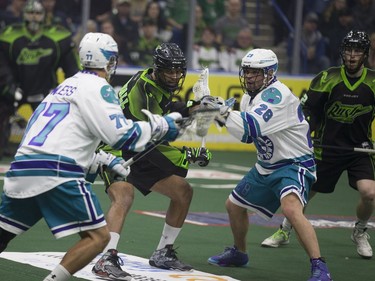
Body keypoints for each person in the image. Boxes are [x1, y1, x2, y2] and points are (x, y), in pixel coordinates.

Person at [0, 32, 183, 281]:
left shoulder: (63, 86)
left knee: (2, 233)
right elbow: (121, 136)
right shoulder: (99, 87)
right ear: (109, 61)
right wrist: (163, 126)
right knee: (99, 238)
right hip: (57, 172)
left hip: (22, 167)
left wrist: (102, 159)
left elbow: (56, 134)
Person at [205, 48, 332, 281]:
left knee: (291, 208)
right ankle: (240, 253)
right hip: (267, 164)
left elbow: (252, 127)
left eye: (256, 72)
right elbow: (246, 136)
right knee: (233, 206)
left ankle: (319, 266)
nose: (250, 76)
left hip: (294, 164)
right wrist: (220, 113)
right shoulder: (248, 98)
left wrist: (220, 109)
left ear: (271, 73)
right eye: (247, 71)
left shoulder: (277, 96)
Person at [91, 42, 212, 280]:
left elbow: (164, 112)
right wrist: (187, 154)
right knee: (124, 195)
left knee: (183, 192)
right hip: (114, 147)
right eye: (170, 71)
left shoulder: (155, 82)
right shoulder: (141, 89)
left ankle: (163, 253)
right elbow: (145, 139)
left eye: (178, 71)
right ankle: (106, 258)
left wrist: (193, 106)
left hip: (137, 147)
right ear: (158, 68)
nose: (175, 76)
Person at [261, 30, 375, 260]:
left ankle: (360, 231)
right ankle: (285, 229)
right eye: (349, 50)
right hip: (326, 148)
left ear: (365, 54)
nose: (352, 56)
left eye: (358, 51)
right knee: (304, 194)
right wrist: (304, 137)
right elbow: (307, 112)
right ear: (343, 53)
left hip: (360, 150)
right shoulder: (327, 78)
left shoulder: (373, 81)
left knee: (369, 193)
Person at [0, 0, 80, 158]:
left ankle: (58, 152)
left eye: (38, 13)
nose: (34, 17)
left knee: (61, 121)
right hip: (15, 88)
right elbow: (3, 66)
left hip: (46, 91)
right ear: (23, 15)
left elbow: (72, 70)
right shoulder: (9, 36)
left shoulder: (58, 36)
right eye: (30, 13)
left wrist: (64, 91)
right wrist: (9, 87)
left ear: (44, 16)